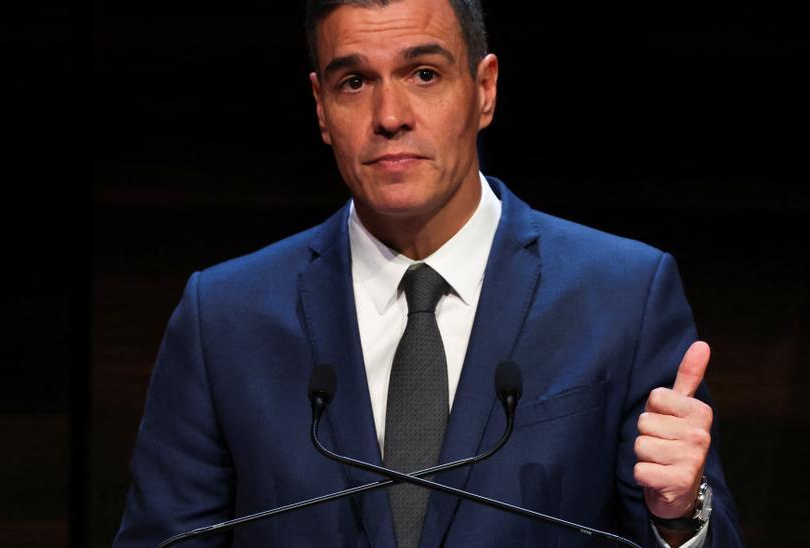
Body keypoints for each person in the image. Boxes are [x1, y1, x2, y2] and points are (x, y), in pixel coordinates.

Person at [114, 0, 742, 546]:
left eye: (423, 74)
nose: (390, 115)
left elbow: (698, 537)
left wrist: (677, 521)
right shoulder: (224, 317)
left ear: (485, 88)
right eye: (355, 82)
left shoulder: (621, 297)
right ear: (321, 109)